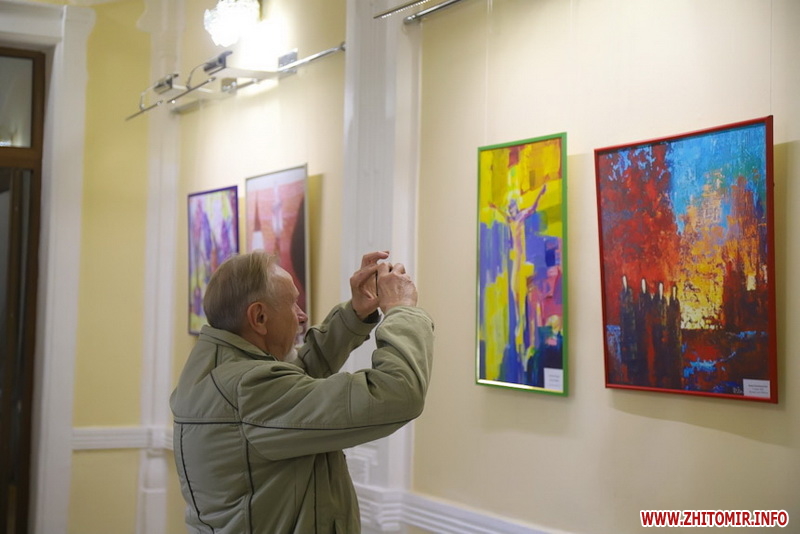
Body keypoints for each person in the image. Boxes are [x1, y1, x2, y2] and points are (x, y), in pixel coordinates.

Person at [170, 250, 434, 534]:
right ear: (259, 316)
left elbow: (298, 377)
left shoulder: (220, 368)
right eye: (293, 303)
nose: (302, 315)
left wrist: (356, 313)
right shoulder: (247, 390)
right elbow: (396, 394)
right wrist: (402, 310)